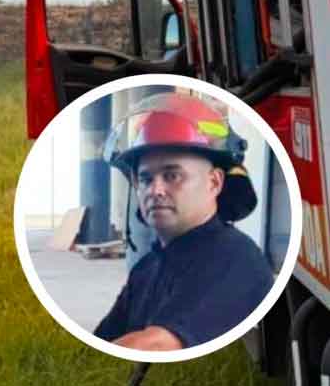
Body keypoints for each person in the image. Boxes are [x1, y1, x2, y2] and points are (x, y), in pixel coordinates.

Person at [93, 92, 274, 350]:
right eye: (145, 179)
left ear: (214, 182)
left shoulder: (234, 259)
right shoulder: (148, 268)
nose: (156, 190)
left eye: (172, 176)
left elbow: (158, 345)